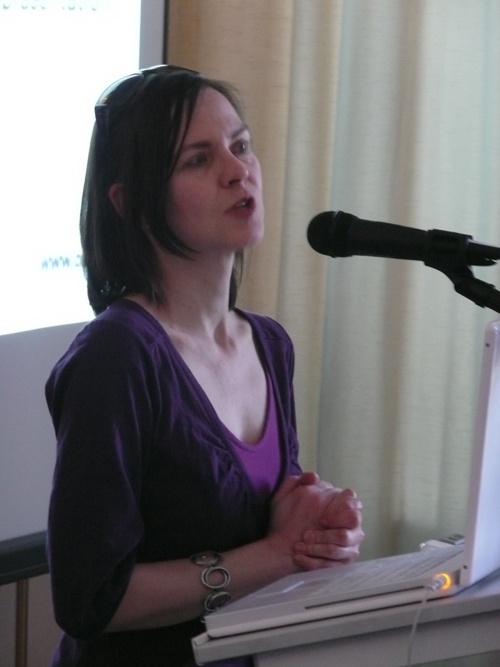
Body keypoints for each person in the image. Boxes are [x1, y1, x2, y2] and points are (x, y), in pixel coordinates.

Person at [45, 64, 364, 667]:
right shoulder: (116, 357)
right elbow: (89, 598)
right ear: (131, 203)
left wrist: (317, 528)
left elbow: (264, 529)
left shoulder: (268, 343)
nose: (238, 171)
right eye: (198, 159)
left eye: (240, 146)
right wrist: (279, 553)